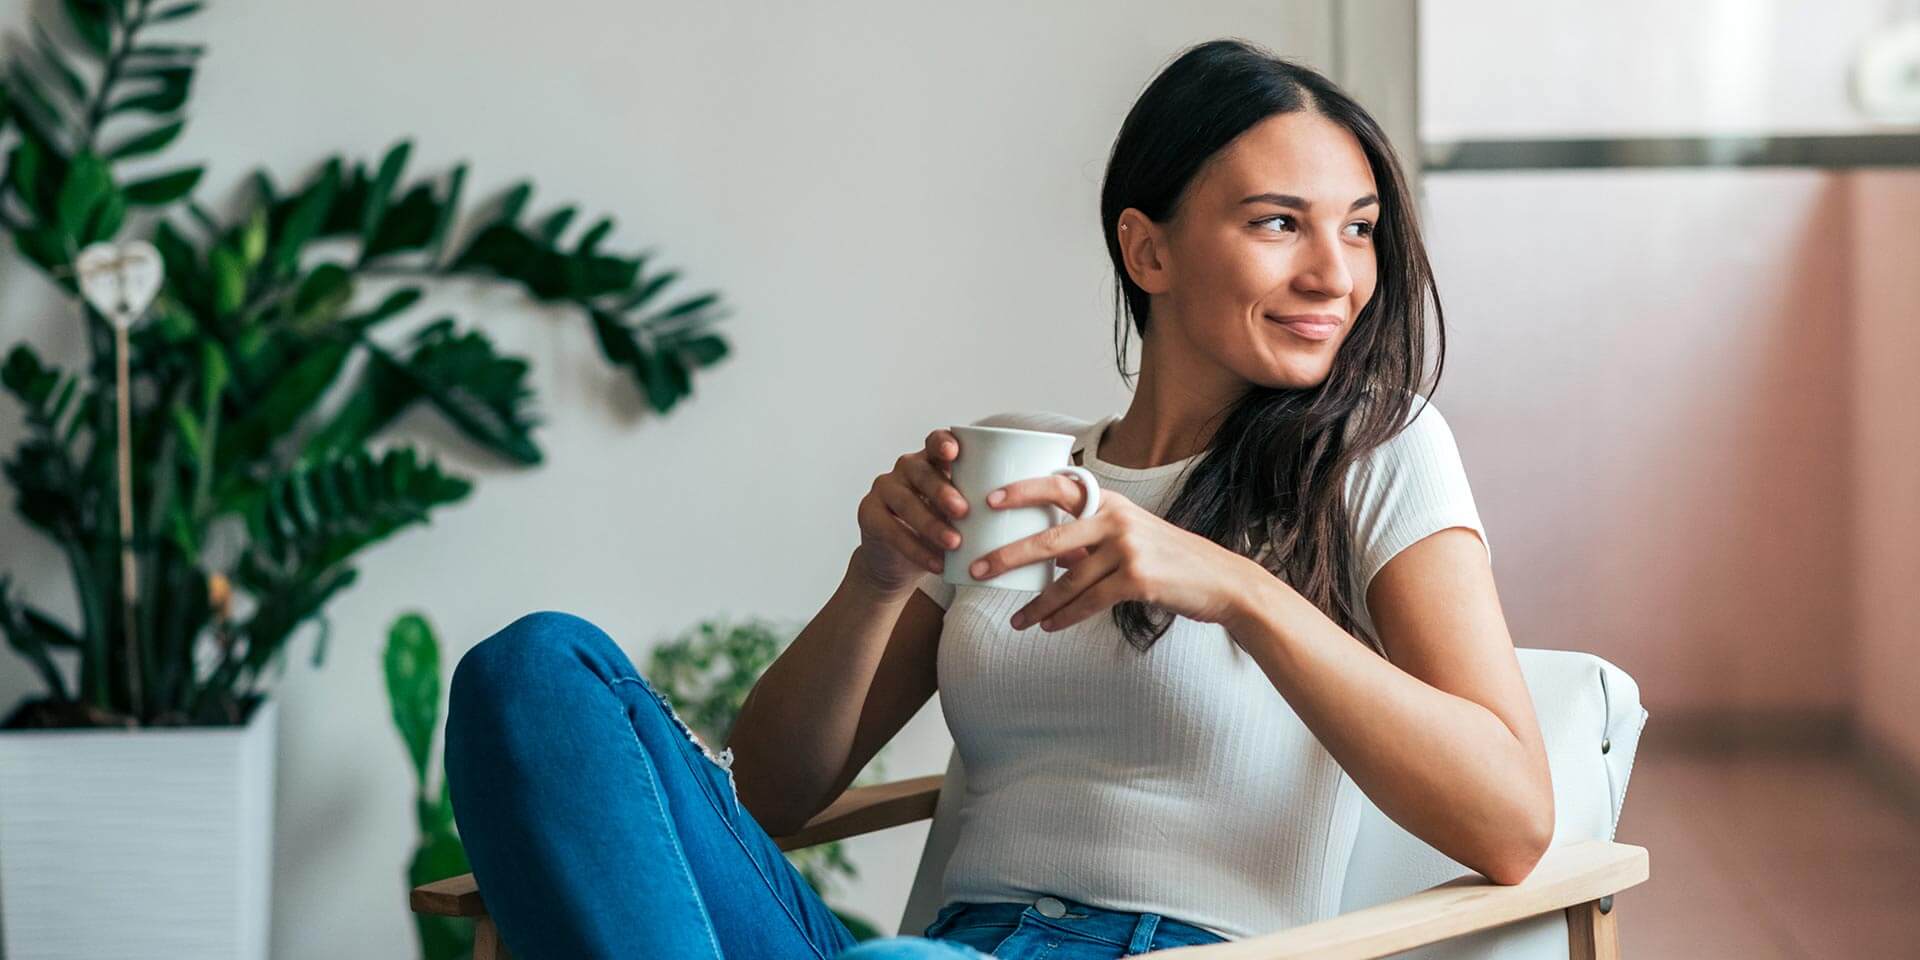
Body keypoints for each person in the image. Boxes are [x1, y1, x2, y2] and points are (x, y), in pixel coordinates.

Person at [443, 37, 1553, 960]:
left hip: (1165, 945)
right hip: (943, 948)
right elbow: (770, 802)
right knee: (532, 669)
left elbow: (1510, 824)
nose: (1336, 274)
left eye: (1357, 226)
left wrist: (1236, 589)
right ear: (1147, 248)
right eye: (1279, 223)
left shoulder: (1376, 455)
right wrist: (875, 580)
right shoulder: (1025, 470)